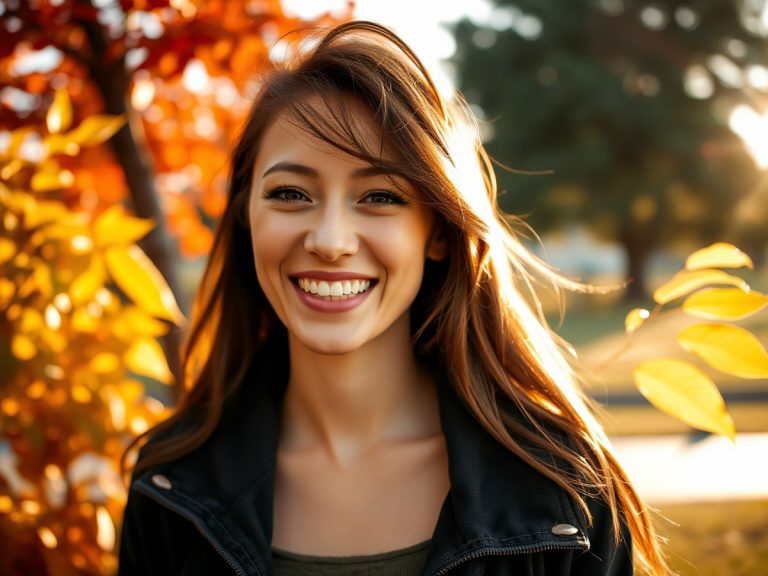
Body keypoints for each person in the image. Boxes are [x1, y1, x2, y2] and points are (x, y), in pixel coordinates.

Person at [118, 20, 669, 576]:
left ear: (437, 231)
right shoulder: (170, 489)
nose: (330, 241)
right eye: (290, 193)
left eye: (380, 196)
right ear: (245, 217)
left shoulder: (563, 489)